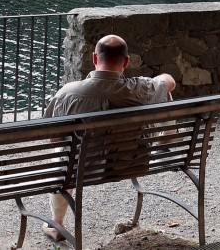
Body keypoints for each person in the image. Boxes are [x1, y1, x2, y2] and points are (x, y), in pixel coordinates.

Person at [41, 34, 176, 242]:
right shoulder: (141, 89)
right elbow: (169, 82)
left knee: (62, 154)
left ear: (95, 59)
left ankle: (57, 223)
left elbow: (54, 138)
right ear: (127, 61)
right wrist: (161, 79)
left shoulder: (67, 93)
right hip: (134, 162)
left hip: (82, 169)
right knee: (164, 94)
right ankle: (165, 142)